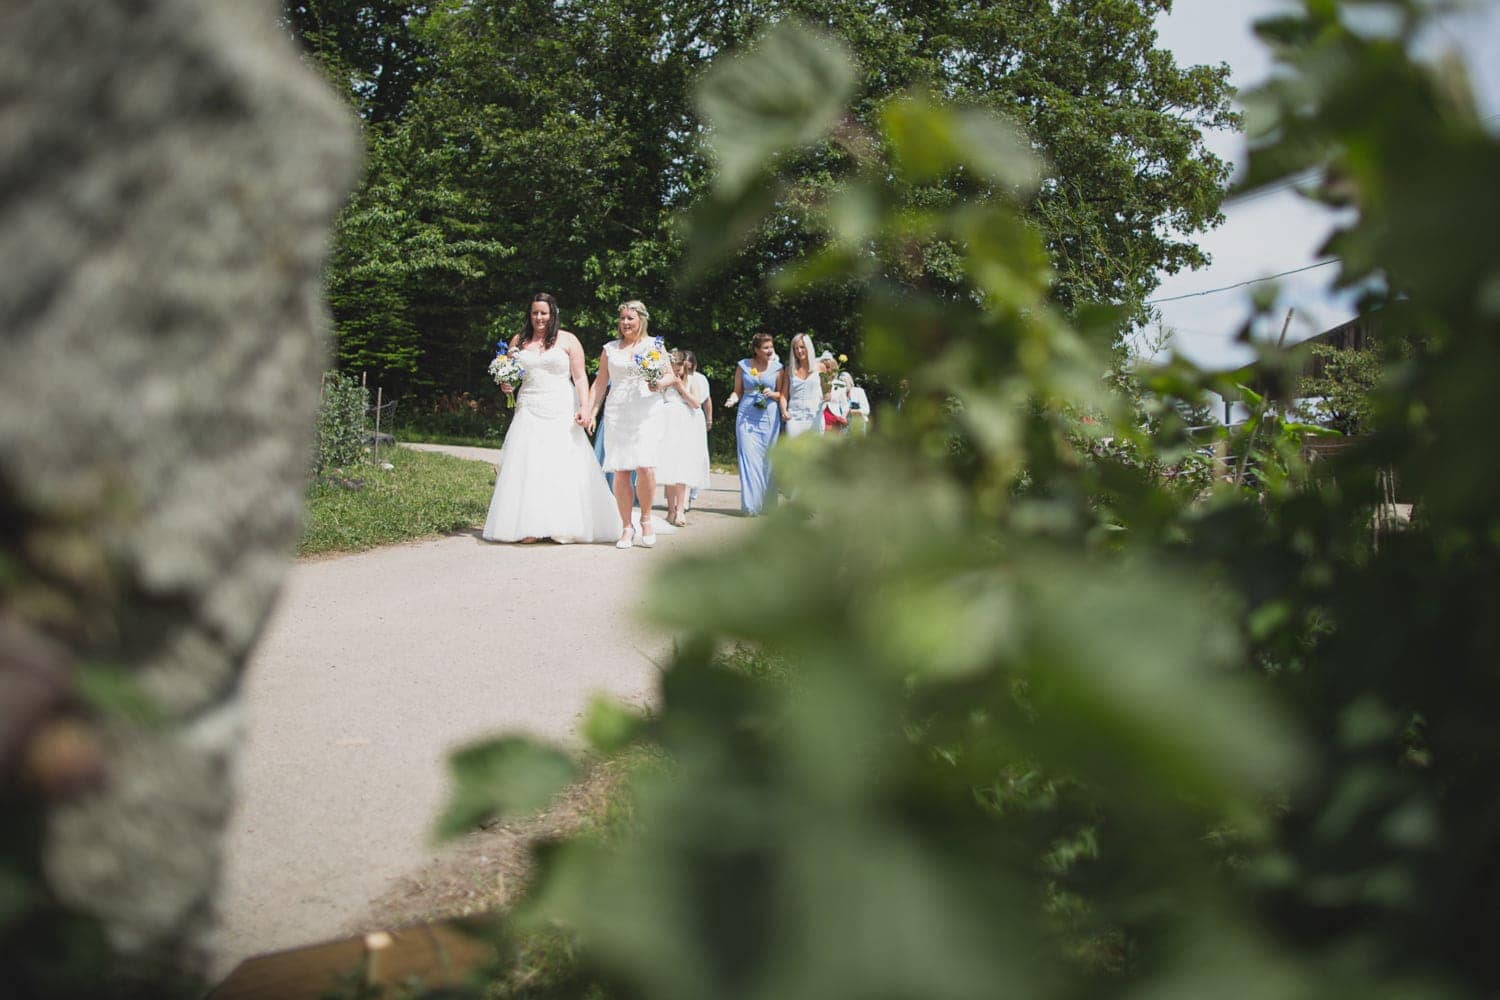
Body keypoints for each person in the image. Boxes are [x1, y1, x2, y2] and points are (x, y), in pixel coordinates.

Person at [482, 293, 620, 544]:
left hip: (561, 407)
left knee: (559, 463)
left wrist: (585, 408)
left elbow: (580, 377)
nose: (539, 318)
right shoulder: (519, 340)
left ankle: (562, 524)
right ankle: (528, 526)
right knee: (529, 463)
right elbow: (510, 373)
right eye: (535, 313)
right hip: (528, 406)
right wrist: (506, 384)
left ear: (553, 313)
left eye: (543, 313)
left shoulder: (568, 340)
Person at [587, 299, 678, 548]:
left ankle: (646, 519)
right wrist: (592, 411)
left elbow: (670, 375)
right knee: (621, 469)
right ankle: (627, 526)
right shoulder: (610, 349)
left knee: (645, 465)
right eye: (622, 318)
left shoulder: (654, 345)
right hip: (618, 411)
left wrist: (658, 384)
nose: (625, 323)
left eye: (630, 318)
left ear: (641, 320)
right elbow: (600, 382)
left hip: (646, 410)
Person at [726, 332, 784, 515]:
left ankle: (767, 505)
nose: (769, 350)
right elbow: (737, 391)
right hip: (746, 416)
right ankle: (751, 506)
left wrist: (772, 394)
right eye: (765, 348)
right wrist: (732, 399)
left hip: (769, 417)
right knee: (749, 459)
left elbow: (783, 394)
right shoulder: (743, 366)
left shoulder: (778, 368)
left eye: (771, 347)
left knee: (768, 460)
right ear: (757, 350)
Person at [656, 351, 710, 526]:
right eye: (673, 367)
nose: (676, 370)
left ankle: (680, 509)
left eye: (679, 366)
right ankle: (670, 510)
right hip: (667, 425)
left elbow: (696, 403)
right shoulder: (663, 381)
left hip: (685, 426)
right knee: (668, 468)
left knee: (681, 468)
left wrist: (680, 387)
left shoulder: (692, 380)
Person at [682, 351, 712, 513]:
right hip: (679, 418)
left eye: (689, 366)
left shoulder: (700, 379)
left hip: (695, 418)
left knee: (694, 456)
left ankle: (689, 494)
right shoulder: (676, 377)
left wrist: (709, 419)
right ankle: (678, 496)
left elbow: (706, 401)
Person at [783, 332, 825, 438]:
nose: (799, 351)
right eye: (796, 348)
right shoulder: (789, 370)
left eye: (802, 347)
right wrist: (784, 411)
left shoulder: (820, 367)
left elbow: (827, 391)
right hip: (794, 417)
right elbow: (783, 395)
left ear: (808, 348)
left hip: (815, 416)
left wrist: (828, 395)